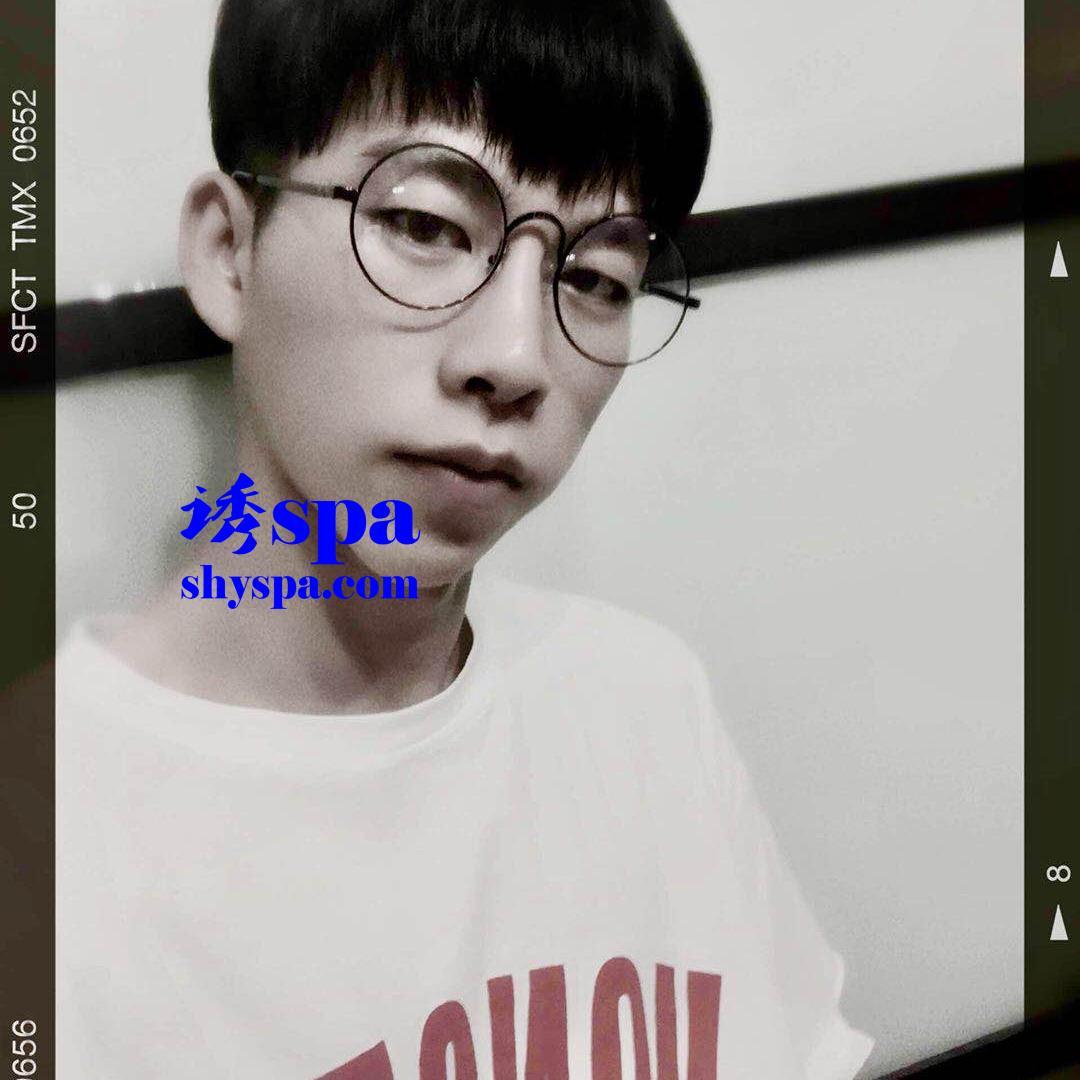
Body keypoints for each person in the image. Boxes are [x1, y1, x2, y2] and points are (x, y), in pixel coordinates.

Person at [56, 0, 874, 1076]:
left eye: (596, 279)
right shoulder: (53, 852)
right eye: (428, 227)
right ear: (229, 253)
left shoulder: (639, 700)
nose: (517, 358)